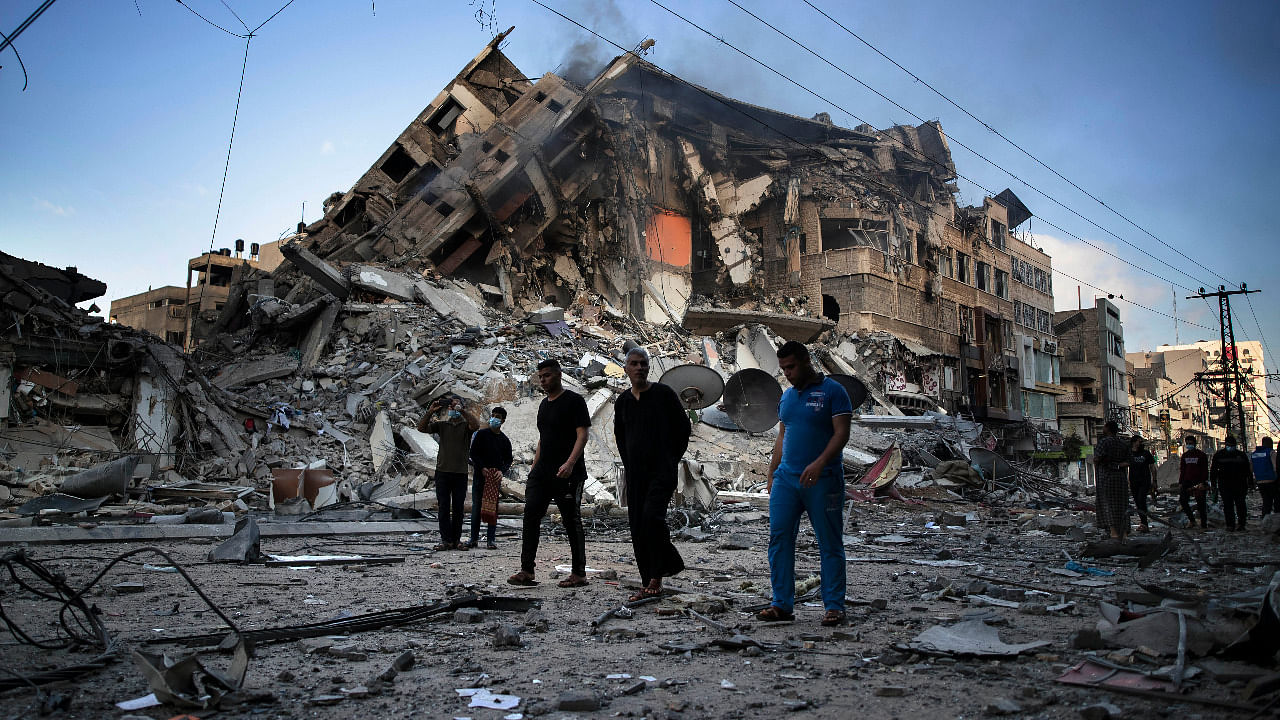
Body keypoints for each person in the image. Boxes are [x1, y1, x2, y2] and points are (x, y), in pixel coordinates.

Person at [758, 341, 852, 627]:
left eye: (791, 366)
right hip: (787, 479)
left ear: (806, 361)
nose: (787, 373)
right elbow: (781, 436)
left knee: (829, 542)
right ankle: (781, 604)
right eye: (783, 368)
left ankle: (834, 606)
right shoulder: (787, 398)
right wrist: (772, 473)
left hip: (823, 480)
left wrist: (820, 462)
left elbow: (842, 433)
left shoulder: (834, 392)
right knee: (779, 539)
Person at [614, 346, 691, 602]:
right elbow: (620, 436)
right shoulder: (623, 401)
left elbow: (683, 429)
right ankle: (648, 581)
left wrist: (671, 460)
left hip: (661, 471)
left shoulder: (663, 394)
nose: (639, 368)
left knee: (651, 519)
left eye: (643, 363)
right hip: (636, 475)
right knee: (637, 526)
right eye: (634, 364)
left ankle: (659, 574)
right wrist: (629, 464)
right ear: (626, 368)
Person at [508, 359, 591, 588]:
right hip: (542, 472)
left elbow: (582, 435)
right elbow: (543, 439)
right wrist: (534, 468)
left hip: (567, 473)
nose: (543, 380)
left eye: (547, 375)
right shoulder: (544, 405)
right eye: (541, 376)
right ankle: (527, 570)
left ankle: (579, 573)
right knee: (531, 516)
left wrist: (570, 463)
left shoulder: (574, 401)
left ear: (558, 375)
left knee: (571, 521)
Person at [418, 396, 482, 550]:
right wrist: (430, 411)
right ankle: (446, 540)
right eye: (451, 406)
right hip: (443, 472)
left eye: (455, 405)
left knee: (458, 508)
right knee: (444, 507)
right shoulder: (442, 425)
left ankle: (456, 539)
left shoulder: (466, 427)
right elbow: (421, 428)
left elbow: (476, 424)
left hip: (460, 473)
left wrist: (462, 410)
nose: (452, 409)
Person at [468, 406, 512, 549]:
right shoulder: (481, 435)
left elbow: (508, 460)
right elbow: (473, 454)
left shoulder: (505, 441)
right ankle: (473, 539)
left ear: (503, 420)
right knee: (476, 508)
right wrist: (482, 468)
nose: (494, 418)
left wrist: (501, 471)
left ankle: (491, 540)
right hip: (481, 477)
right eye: (493, 415)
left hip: (494, 479)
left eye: (497, 417)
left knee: (493, 508)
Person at [1093, 421, 1130, 540]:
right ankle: (1124, 532)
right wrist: (1118, 466)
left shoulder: (1103, 442)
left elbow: (1097, 458)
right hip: (1120, 478)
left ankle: (1113, 531)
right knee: (1122, 505)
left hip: (1106, 478)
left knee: (1108, 504)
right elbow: (1129, 461)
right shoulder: (1123, 443)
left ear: (1107, 429)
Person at [1211, 434, 1253, 531]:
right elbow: (1213, 471)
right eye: (1228, 445)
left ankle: (1241, 524)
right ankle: (1230, 525)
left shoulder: (1241, 455)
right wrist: (1213, 484)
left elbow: (1247, 471)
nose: (1230, 447)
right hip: (1225, 485)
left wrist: (1250, 483)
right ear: (1225, 444)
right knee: (1228, 505)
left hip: (1240, 485)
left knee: (1240, 505)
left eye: (1232, 445)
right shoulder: (1219, 455)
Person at [1178, 435, 1210, 530]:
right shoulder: (1185, 455)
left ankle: (1204, 524)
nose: (1189, 445)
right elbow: (1182, 470)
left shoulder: (1201, 455)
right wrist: (1181, 482)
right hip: (1187, 481)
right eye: (1187, 443)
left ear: (1195, 444)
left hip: (1199, 481)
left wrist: (1203, 482)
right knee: (1183, 501)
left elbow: (1205, 470)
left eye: (1190, 443)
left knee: (1201, 504)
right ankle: (1192, 520)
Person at [1128, 436, 1158, 533]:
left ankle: (1144, 523)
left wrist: (1154, 480)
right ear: (1133, 442)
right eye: (1139, 442)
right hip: (1133, 481)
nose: (1140, 443)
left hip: (1145, 481)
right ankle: (1143, 523)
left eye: (1141, 442)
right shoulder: (1129, 453)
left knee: (1141, 499)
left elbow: (1152, 467)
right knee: (1137, 502)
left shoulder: (1146, 453)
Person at [1251, 437, 1278, 520]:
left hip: (1260, 481)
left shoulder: (1254, 454)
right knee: (1276, 501)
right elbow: (1275, 467)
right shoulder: (1271, 452)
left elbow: (1251, 468)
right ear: (1270, 444)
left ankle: (1264, 520)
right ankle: (1276, 521)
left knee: (1266, 502)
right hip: (1272, 480)